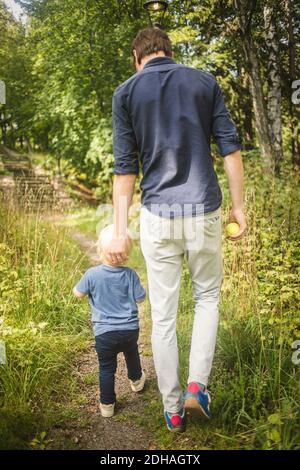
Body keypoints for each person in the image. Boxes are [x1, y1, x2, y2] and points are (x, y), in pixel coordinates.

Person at [107, 27, 247, 432]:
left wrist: (120, 229)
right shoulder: (204, 82)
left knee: (163, 316)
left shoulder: (126, 93)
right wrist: (238, 208)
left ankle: (171, 411)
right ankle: (196, 387)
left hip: (158, 215)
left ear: (138, 57)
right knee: (206, 298)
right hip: (203, 209)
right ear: (170, 51)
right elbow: (231, 149)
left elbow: (124, 168)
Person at [73, 224, 146, 418]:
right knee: (131, 352)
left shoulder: (92, 274)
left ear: (99, 251)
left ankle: (107, 405)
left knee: (106, 368)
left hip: (104, 333)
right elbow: (140, 298)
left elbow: (78, 293)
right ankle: (136, 380)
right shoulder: (130, 274)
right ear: (127, 254)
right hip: (129, 330)